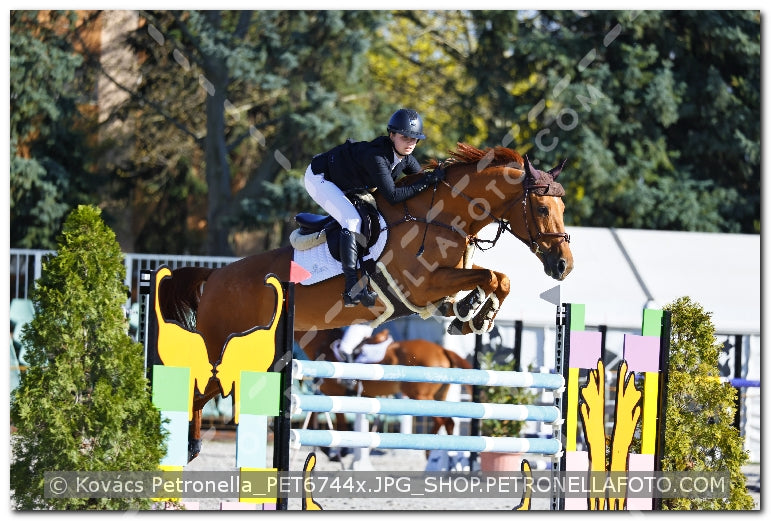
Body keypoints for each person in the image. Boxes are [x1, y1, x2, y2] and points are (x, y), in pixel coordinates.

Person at [304, 108, 446, 307]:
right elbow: (393, 196)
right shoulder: (377, 157)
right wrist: (426, 181)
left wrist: (440, 176)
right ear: (392, 135)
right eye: (405, 137)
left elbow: (421, 178)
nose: (410, 143)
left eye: (414, 139)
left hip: (346, 181)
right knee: (352, 220)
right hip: (319, 178)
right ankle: (351, 288)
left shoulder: (405, 157)